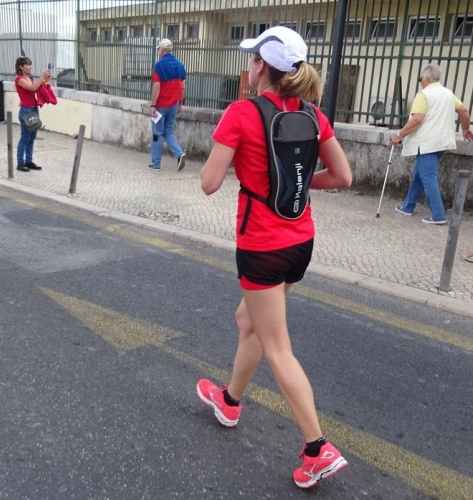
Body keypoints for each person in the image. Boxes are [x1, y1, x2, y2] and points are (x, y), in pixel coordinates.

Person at [196, 27, 353, 489]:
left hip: (262, 246)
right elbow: (343, 176)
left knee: (278, 346)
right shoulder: (313, 115)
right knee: (249, 320)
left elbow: (208, 182)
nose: (249, 66)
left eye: (252, 59)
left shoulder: (241, 113)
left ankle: (317, 449)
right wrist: (298, 183)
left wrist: (249, 171)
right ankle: (229, 401)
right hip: (300, 241)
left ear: (261, 66)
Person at [391, 64, 473, 225]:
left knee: (428, 177)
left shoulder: (423, 95)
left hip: (427, 143)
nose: (420, 81)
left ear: (426, 78)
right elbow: (464, 111)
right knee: (419, 174)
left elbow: (416, 120)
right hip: (442, 142)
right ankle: (407, 206)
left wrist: (399, 135)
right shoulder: (448, 94)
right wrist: (465, 128)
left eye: (420, 78)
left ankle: (438, 215)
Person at [148, 38, 186, 172]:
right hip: (174, 104)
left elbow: (156, 87)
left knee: (157, 134)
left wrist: (153, 105)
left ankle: (156, 164)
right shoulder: (180, 65)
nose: (158, 52)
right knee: (168, 132)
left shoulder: (159, 66)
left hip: (161, 105)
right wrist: (180, 103)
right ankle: (180, 154)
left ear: (163, 50)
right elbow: (183, 87)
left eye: (159, 50)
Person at [14, 56, 50, 172]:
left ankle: (28, 161)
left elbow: (38, 88)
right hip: (26, 110)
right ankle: (20, 162)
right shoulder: (19, 79)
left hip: (33, 109)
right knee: (25, 137)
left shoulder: (29, 78)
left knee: (32, 137)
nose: (30, 67)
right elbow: (32, 88)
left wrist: (46, 79)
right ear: (21, 67)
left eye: (30, 65)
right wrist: (42, 77)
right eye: (27, 65)